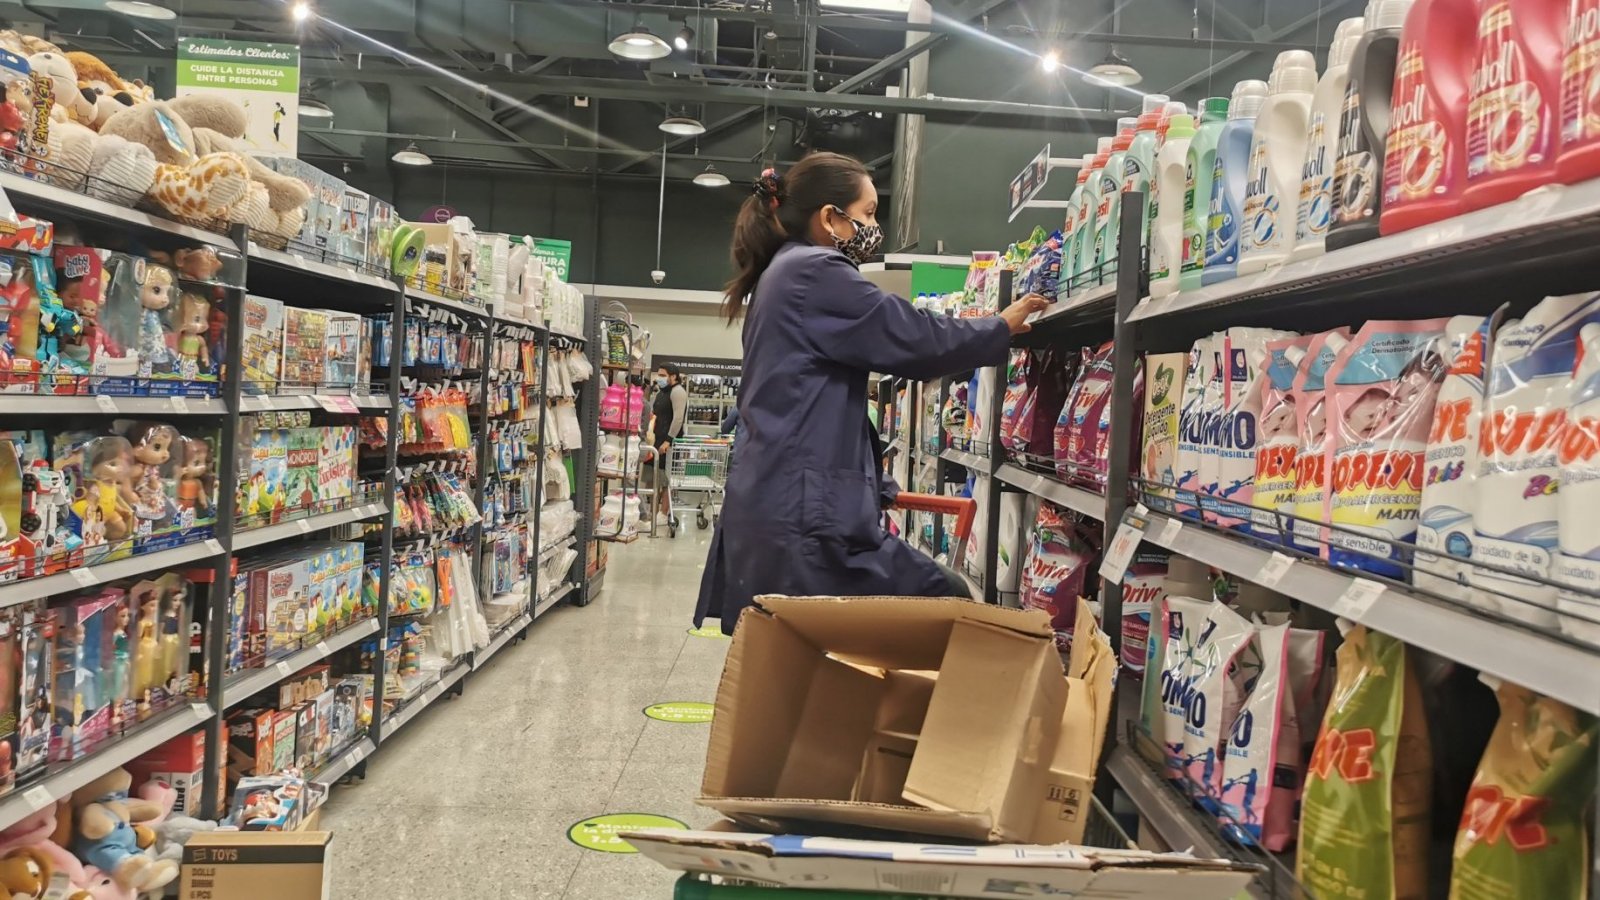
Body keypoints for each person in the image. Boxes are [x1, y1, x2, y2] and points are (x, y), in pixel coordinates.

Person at [693, 152, 1048, 635]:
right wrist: (996, 328)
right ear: (829, 218)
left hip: (785, 502)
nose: (873, 226)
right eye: (867, 213)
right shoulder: (815, 271)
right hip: (804, 518)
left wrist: (873, 487)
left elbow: (810, 405)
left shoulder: (783, 273)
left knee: (802, 663)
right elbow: (910, 335)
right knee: (949, 602)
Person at [644, 362, 687, 526]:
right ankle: (652, 513)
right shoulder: (661, 393)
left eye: (662, 375)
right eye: (658, 374)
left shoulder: (678, 392)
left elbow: (678, 418)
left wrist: (669, 440)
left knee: (665, 479)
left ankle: (663, 513)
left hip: (668, 443)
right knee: (653, 478)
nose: (659, 378)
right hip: (655, 441)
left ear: (673, 376)